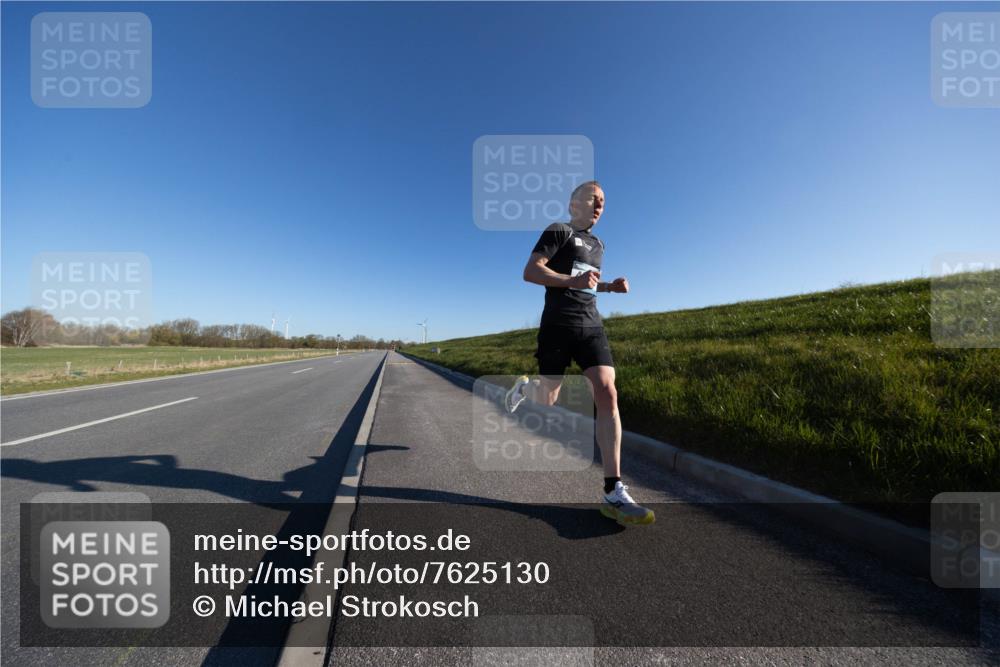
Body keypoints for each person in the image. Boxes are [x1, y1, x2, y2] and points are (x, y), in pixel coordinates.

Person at [505, 180, 654, 526]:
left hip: (591, 326)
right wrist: (571, 282)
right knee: (548, 399)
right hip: (557, 326)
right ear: (574, 203)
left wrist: (610, 287)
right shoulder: (559, 230)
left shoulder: (599, 244)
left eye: (603, 201)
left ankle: (613, 490)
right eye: (593, 198)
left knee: (607, 391)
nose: (599, 205)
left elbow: (585, 282)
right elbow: (531, 271)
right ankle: (526, 387)